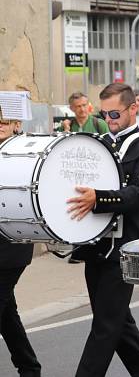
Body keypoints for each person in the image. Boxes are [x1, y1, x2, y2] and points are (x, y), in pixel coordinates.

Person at [66, 82, 139, 377]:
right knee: (116, 320)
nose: (109, 120)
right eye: (105, 113)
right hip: (96, 245)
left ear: (133, 108)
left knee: (105, 327)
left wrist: (100, 198)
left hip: (125, 248)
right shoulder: (100, 145)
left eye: (115, 113)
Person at [0, 117, 42, 377]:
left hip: (12, 246)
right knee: (7, 314)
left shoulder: (23, 151)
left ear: (15, 123)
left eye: (3, 121)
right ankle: (29, 367)